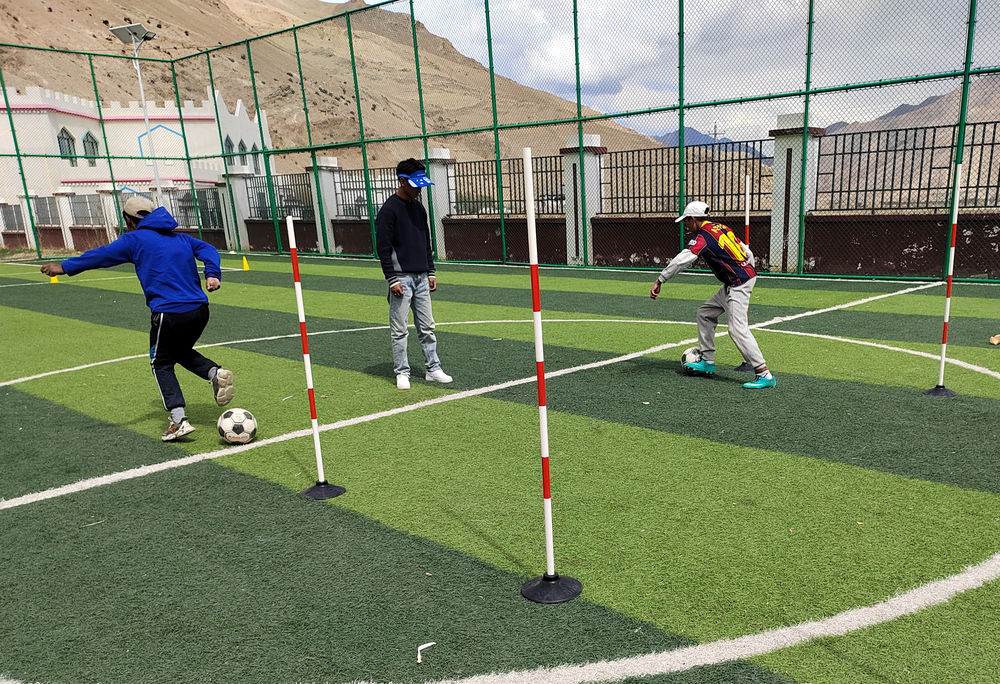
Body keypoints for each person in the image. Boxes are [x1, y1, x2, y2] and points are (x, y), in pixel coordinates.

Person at [40, 195, 235, 439]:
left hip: (169, 313)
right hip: (199, 310)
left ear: (129, 220)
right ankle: (213, 373)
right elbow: (208, 249)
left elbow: (102, 255)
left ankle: (178, 420)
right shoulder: (182, 238)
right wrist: (212, 273)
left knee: (160, 362)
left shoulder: (134, 240)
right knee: (178, 351)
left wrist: (64, 267)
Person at [649, 200, 776, 389]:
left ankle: (764, 373)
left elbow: (683, 259)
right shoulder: (720, 227)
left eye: (686, 221)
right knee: (705, 314)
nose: (686, 226)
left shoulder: (704, 236)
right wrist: (746, 268)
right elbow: (746, 251)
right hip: (738, 280)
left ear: (693, 219)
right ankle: (707, 361)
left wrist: (661, 279)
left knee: (737, 329)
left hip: (739, 283)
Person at [375, 158, 453, 390]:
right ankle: (402, 372)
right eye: (415, 184)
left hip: (421, 278)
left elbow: (425, 242)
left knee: (427, 327)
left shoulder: (419, 209)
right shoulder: (389, 210)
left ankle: (433, 369)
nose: (419, 189)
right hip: (401, 279)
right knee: (399, 330)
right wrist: (392, 279)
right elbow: (383, 249)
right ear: (402, 181)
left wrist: (431, 271)